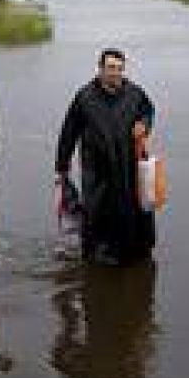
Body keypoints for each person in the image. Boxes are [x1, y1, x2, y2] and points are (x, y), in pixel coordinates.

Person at [55, 48, 156, 265]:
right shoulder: (85, 97)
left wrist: (144, 125)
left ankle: (134, 252)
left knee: (132, 209)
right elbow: (69, 131)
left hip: (128, 163)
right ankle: (95, 256)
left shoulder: (135, 93)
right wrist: (62, 167)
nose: (115, 73)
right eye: (110, 68)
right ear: (100, 68)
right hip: (96, 167)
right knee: (96, 210)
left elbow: (148, 110)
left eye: (119, 68)